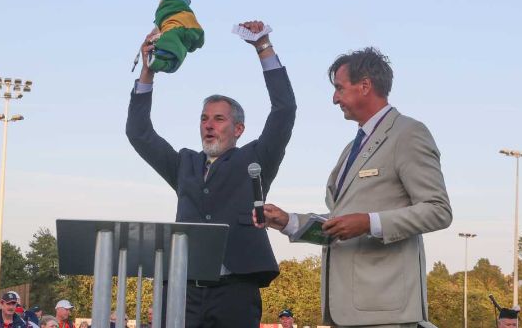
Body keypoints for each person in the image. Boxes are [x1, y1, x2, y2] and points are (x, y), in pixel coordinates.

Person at [257, 48, 452, 327]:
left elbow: (438, 210)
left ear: (365, 86)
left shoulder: (408, 134)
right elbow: (341, 223)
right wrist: (288, 221)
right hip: (347, 311)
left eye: (339, 88)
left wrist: (369, 223)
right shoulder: (352, 148)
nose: (334, 98)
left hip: (385, 311)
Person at [126, 20, 296, 328]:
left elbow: (284, 110)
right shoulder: (184, 164)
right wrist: (148, 72)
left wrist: (263, 48)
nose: (209, 124)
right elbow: (139, 133)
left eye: (219, 119)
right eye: (204, 118)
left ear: (239, 129)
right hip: (183, 290)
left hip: (235, 292)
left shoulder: (256, 158)